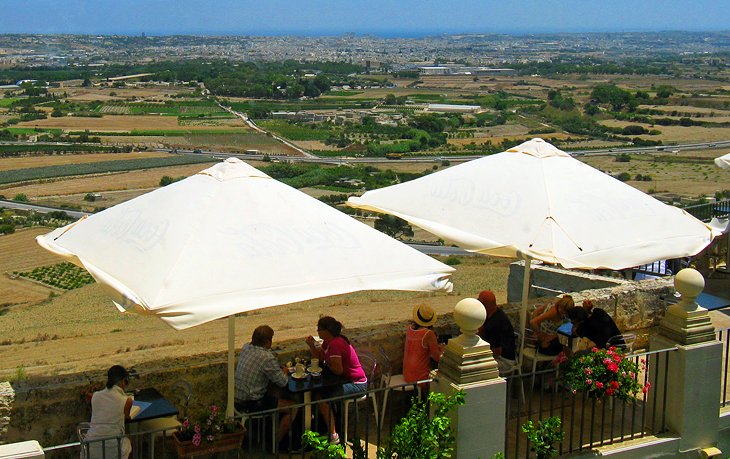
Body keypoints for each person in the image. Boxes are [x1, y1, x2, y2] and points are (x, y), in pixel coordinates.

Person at [305, 316, 366, 445]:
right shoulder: (328, 341)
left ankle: (333, 435)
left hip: (357, 384)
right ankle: (324, 428)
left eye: (319, 329)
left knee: (323, 400)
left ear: (326, 331)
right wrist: (312, 346)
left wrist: (328, 363)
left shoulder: (336, 344)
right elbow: (320, 358)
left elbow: (337, 370)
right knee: (318, 395)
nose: (317, 331)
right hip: (343, 380)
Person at [234, 325, 296, 443]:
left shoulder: (246, 347)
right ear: (268, 341)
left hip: (237, 398)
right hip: (251, 403)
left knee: (274, 391)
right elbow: (283, 382)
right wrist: (285, 371)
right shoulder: (266, 357)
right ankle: (275, 443)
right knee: (293, 407)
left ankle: (268, 432)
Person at [85, 365, 133, 459]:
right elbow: (127, 417)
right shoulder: (126, 401)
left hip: (91, 447)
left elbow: (88, 396)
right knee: (130, 442)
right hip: (113, 448)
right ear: (123, 381)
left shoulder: (96, 396)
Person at [476, 290, 517, 375]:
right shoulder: (493, 314)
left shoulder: (495, 324)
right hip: (499, 355)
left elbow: (496, 352)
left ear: (485, 305)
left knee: (475, 368)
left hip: (504, 360)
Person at [403, 304, 444, 383]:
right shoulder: (428, 333)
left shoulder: (410, 328)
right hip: (419, 377)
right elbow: (437, 358)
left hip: (407, 374)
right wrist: (442, 349)